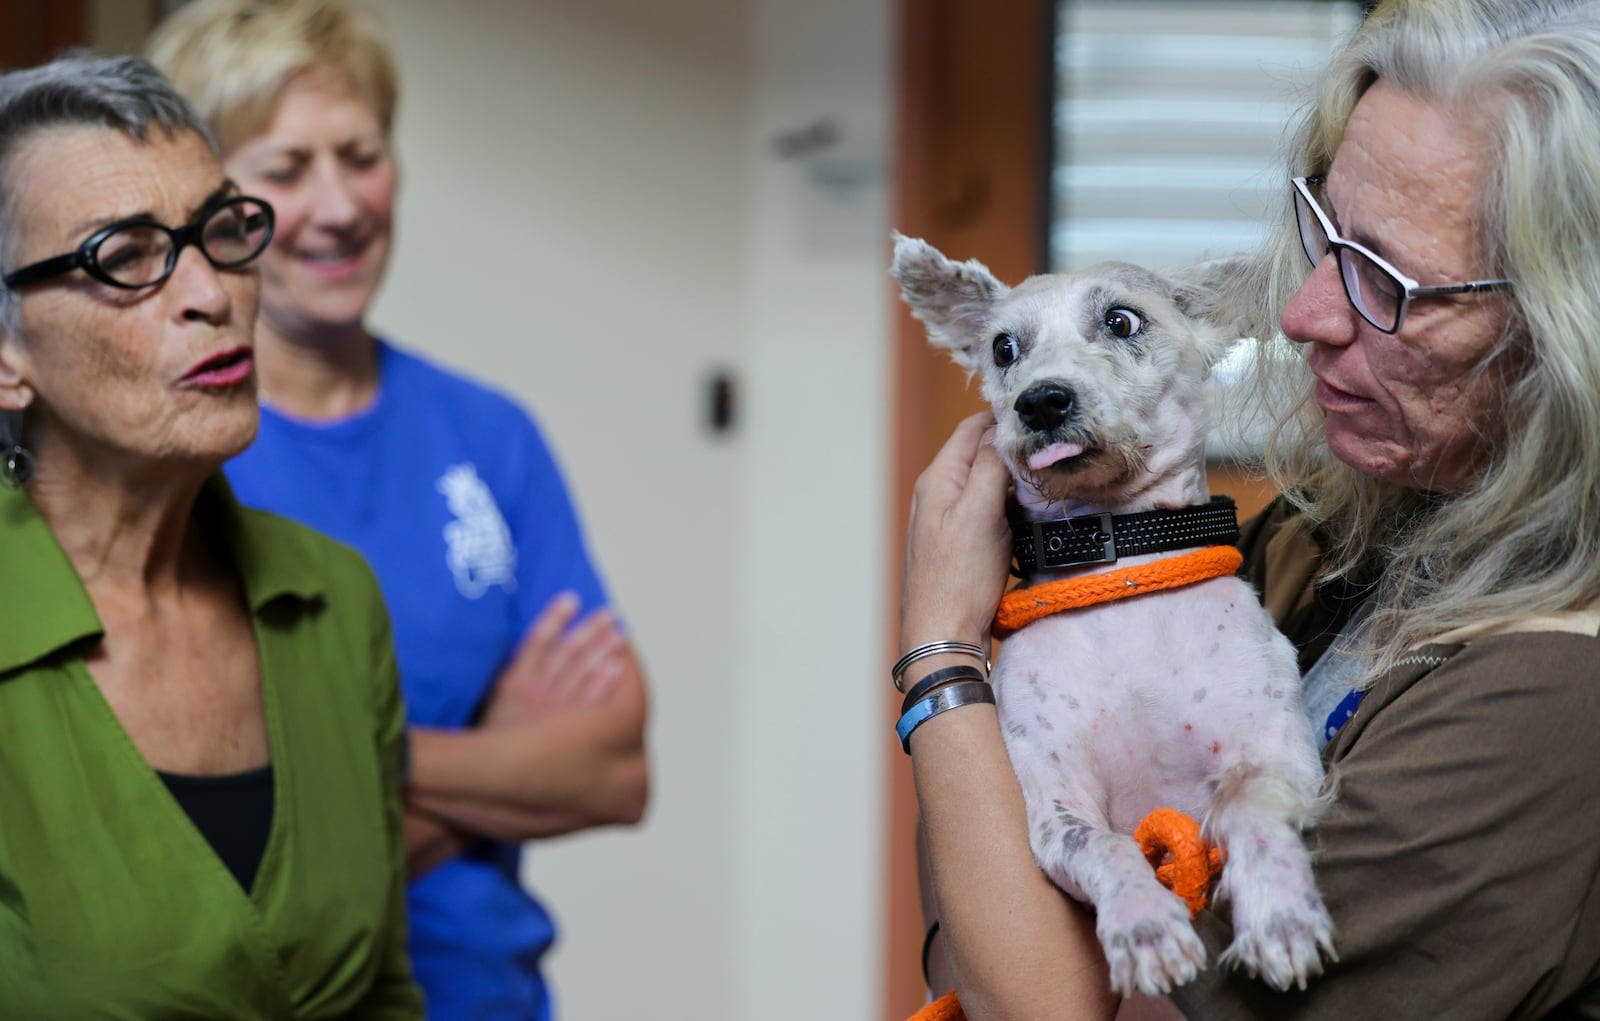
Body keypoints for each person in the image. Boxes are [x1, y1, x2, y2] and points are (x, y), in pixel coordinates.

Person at [899, 0, 1600, 1017]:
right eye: (1324, 231)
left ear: (1564, 334)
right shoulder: (1322, 537)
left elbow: (1031, 997)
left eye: (1387, 279)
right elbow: (980, 941)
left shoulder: (1550, 699)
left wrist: (938, 657)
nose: (1300, 313)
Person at [148, 2, 652, 1017]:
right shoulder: (175, 454)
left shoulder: (487, 432)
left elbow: (612, 767)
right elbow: (214, 863)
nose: (337, 206)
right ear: (207, 205)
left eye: (362, 154)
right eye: (286, 170)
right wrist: (501, 750)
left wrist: (356, 767)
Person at [0, 52, 420, 1017]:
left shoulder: (332, 598)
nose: (211, 291)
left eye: (220, 229)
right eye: (127, 255)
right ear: (9, 356)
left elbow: (387, 988)